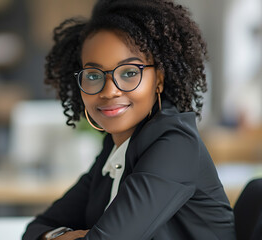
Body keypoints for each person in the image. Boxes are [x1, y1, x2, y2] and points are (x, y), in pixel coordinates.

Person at [22, 0, 236, 239]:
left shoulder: (176, 145)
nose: (109, 91)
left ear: (159, 80)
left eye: (129, 72)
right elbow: (35, 230)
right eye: (93, 75)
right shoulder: (116, 148)